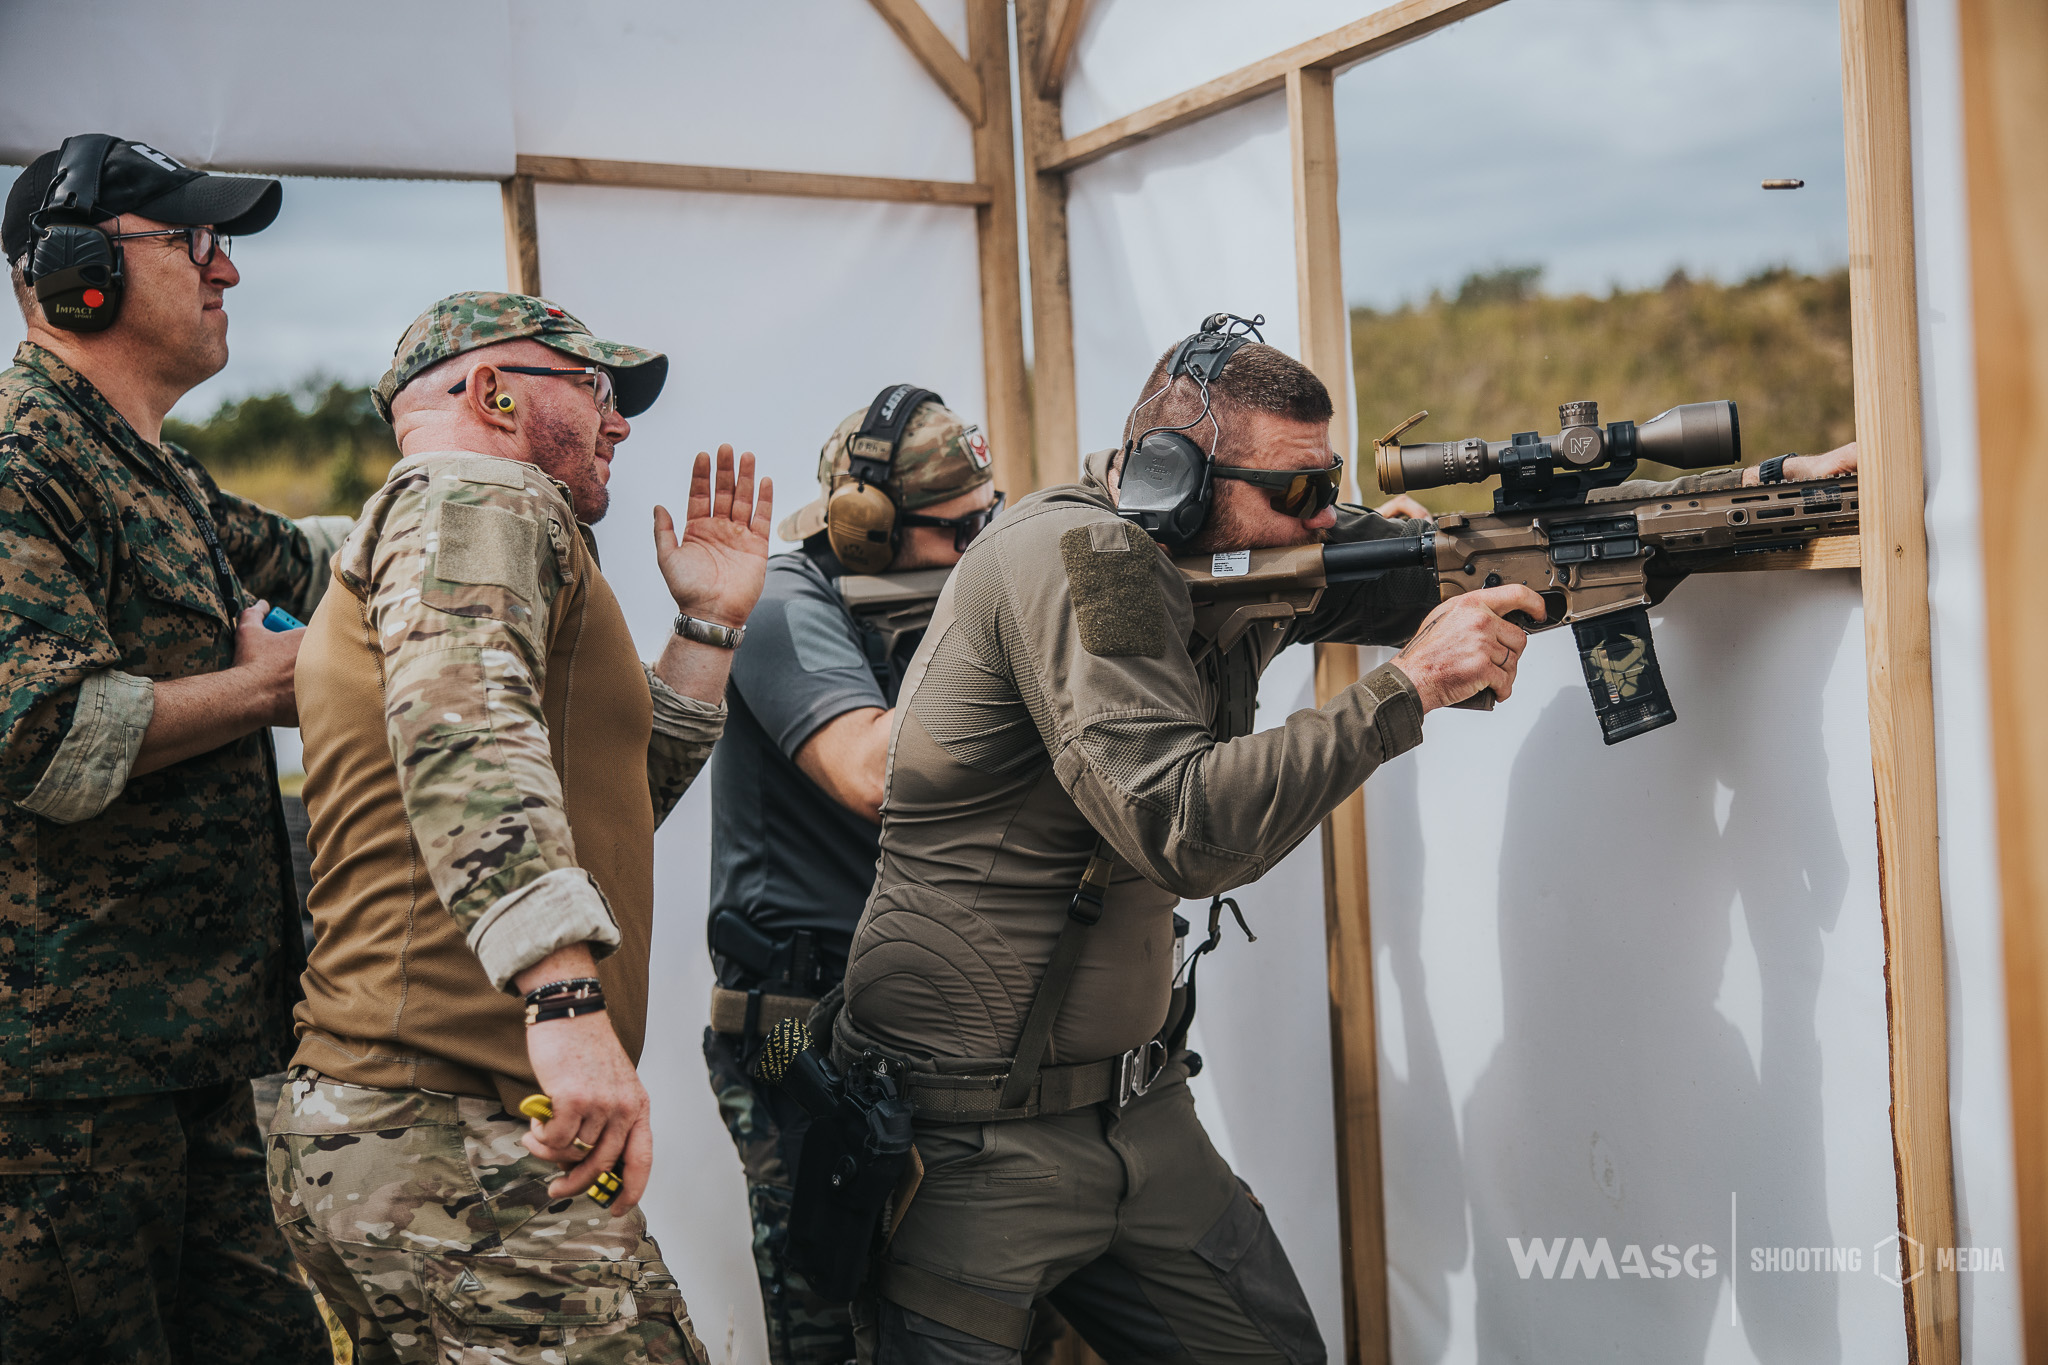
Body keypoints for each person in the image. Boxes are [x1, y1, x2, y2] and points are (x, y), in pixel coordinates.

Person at [831, 320, 1860, 1362]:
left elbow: (1468, 566)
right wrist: (1403, 687)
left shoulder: (1239, 550)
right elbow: (1180, 828)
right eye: (1295, 493)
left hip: (1134, 1110)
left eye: (1326, 482)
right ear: (1168, 475)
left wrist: (1752, 490)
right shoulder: (1078, 559)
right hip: (965, 1138)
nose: (1324, 514)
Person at [268, 291, 768, 1365]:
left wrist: (707, 628)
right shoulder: (476, 494)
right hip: (454, 1130)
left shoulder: (454, 520)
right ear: (493, 394)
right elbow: (464, 733)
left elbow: (598, 805)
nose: (620, 422)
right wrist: (566, 997)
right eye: (595, 390)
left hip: (417, 1131)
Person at [0, 135, 347, 1364]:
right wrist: (258, 694)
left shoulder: (155, 472)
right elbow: (44, 736)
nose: (227, 272)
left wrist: (481, 485)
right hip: (60, 1103)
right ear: (79, 270)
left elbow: (327, 566)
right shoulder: (20, 460)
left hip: (189, 1062)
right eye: (196, 242)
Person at [703, 387, 1000, 1365]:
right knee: (827, 1319)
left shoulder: (934, 594)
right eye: (961, 531)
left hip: (907, 1015)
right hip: (795, 1027)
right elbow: (871, 774)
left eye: (991, 521)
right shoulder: (783, 601)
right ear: (867, 532)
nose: (981, 546)